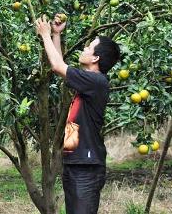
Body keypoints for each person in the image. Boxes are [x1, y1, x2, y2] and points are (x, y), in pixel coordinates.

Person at [35, 14, 121, 214]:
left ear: (95, 58)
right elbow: (61, 67)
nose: (84, 48)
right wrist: (56, 35)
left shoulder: (96, 82)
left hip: (87, 166)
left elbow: (57, 66)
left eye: (88, 47)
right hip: (76, 162)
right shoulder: (87, 82)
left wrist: (45, 35)